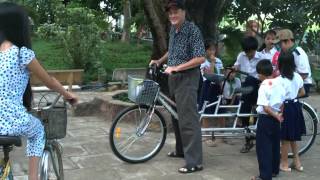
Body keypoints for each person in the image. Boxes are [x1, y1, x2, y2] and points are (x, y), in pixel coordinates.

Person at [0, 3, 78, 180]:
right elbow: (50, 82)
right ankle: (33, 177)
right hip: (13, 121)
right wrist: (68, 95)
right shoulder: (22, 53)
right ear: (19, 27)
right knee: (37, 132)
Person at [149, 0, 204, 173]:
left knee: (188, 120)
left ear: (183, 12)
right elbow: (171, 51)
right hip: (173, 79)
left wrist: (177, 67)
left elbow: (200, 57)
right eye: (170, 12)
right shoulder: (174, 29)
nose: (172, 15)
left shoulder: (192, 30)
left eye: (176, 12)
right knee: (176, 117)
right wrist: (159, 61)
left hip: (187, 79)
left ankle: (195, 162)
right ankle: (181, 150)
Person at [251, 60, 286, 180]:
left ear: (261, 73)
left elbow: (265, 107)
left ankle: (265, 175)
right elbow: (282, 103)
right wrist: (279, 114)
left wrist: (275, 115)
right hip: (276, 118)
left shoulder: (263, 86)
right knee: (275, 145)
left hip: (266, 119)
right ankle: (274, 170)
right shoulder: (279, 84)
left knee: (263, 147)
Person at [233, 36, 265, 153]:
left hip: (257, 86)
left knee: (257, 112)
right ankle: (248, 140)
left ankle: (256, 137)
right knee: (244, 113)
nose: (248, 54)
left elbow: (266, 74)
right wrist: (234, 68)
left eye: (250, 52)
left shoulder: (261, 57)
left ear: (255, 49)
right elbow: (236, 66)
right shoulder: (241, 56)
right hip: (245, 87)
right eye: (246, 52)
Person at [277, 52, 306, 173]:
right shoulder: (298, 76)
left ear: (280, 64)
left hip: (286, 107)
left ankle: (284, 163)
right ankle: (297, 162)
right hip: (295, 106)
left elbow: (278, 97)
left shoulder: (280, 80)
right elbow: (303, 92)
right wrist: (294, 96)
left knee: (285, 138)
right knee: (293, 136)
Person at [198, 40, 224, 147]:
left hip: (217, 87)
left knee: (221, 111)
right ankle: (206, 137)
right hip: (207, 86)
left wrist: (222, 88)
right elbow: (210, 75)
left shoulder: (219, 61)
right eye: (210, 50)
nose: (212, 52)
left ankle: (223, 135)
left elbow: (221, 75)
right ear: (205, 51)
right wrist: (212, 62)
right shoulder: (202, 61)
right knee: (206, 112)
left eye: (214, 49)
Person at [273, 29, 312, 96]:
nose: (279, 47)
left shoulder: (298, 53)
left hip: (302, 85)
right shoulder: (286, 52)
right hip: (289, 82)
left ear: (288, 41)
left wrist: (287, 82)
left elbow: (304, 75)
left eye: (280, 44)